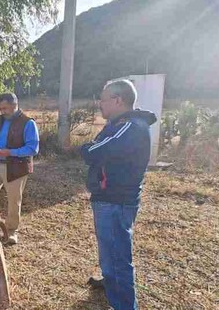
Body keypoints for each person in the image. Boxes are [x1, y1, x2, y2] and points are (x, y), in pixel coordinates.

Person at [80, 79, 157, 310]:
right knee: (112, 251)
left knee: (117, 259)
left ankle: (124, 304)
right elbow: (101, 146)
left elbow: (94, 150)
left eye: (103, 100)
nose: (100, 104)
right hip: (112, 198)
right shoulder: (121, 123)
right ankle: (109, 281)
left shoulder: (131, 128)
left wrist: (85, 148)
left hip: (115, 201)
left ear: (117, 100)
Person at [0, 93, 39, 245]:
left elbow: (33, 148)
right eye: (0, 108)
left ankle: (11, 232)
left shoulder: (28, 123)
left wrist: (11, 152)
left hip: (16, 168)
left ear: (15, 105)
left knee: (14, 201)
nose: (2, 112)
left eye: (5, 108)